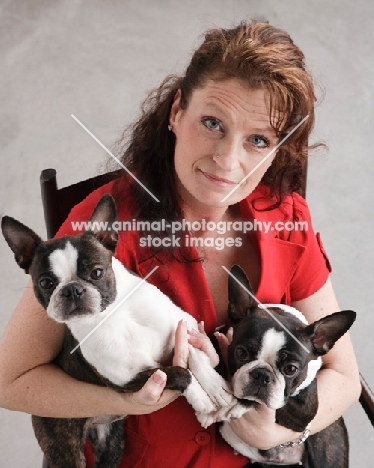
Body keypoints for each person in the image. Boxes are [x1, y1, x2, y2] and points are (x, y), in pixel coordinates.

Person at [0, 20, 361, 467]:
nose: (228, 161)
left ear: (277, 150)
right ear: (176, 112)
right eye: (213, 123)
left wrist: (284, 428)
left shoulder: (286, 218)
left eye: (258, 140)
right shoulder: (98, 235)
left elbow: (344, 373)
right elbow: (12, 380)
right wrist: (129, 401)